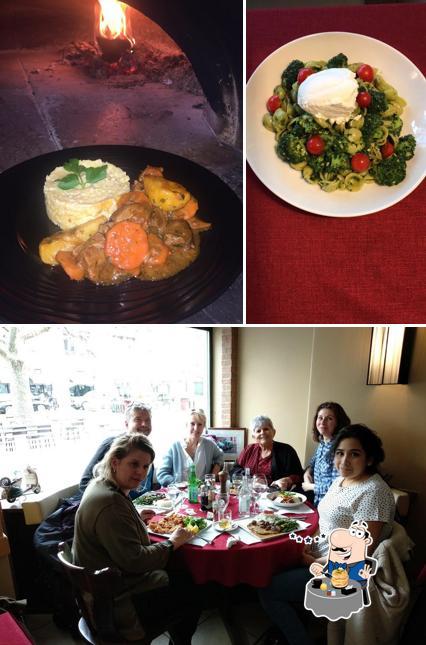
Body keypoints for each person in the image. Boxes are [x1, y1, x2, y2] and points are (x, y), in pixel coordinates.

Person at [258, 424, 395, 645]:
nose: (344, 461)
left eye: (355, 454)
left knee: (268, 589)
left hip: (341, 573)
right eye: (340, 453)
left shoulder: (373, 492)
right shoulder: (341, 481)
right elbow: (325, 523)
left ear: (370, 459)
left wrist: (315, 560)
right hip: (317, 556)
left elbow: (360, 551)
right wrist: (307, 543)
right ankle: (291, 625)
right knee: (268, 564)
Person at [72, 432, 200, 644]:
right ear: (115, 462)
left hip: (102, 587)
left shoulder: (100, 485)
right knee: (194, 588)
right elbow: (136, 561)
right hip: (116, 601)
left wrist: (134, 518)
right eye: (134, 464)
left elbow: (114, 529)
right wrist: (172, 542)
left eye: (146, 466)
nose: (141, 472)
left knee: (181, 575)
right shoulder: (110, 503)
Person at [80, 401, 158, 498]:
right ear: (126, 424)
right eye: (138, 419)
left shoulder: (146, 451)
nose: (144, 424)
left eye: (147, 420)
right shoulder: (113, 444)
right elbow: (85, 482)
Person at [230, 415, 303, 489]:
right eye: (258, 431)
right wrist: (251, 479)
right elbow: (235, 470)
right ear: (253, 436)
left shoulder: (287, 451)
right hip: (252, 493)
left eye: (266, 429)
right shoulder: (248, 449)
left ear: (273, 432)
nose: (262, 433)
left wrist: (288, 480)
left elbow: (299, 476)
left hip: (276, 495)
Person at [157, 409, 224, 486]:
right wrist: (178, 485)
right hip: (178, 494)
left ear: (204, 427)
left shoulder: (209, 445)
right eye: (192, 424)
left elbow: (220, 456)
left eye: (200, 424)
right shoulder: (174, 446)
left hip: (202, 493)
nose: (196, 428)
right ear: (186, 425)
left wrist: (214, 473)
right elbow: (161, 474)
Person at [302, 402, 351, 505]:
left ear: (338, 423)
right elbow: (313, 463)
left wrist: (310, 486)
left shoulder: (340, 448)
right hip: (317, 502)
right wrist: (307, 472)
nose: (322, 422)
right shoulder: (323, 442)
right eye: (320, 418)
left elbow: (339, 485)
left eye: (329, 419)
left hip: (332, 504)